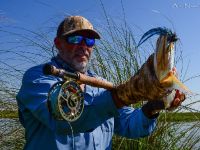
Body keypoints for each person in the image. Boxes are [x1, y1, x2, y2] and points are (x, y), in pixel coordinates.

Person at [16, 16, 185, 150]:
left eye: (89, 41)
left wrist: (152, 107)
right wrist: (122, 96)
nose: (83, 46)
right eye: (75, 38)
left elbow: (130, 126)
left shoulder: (102, 84)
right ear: (58, 43)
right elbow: (65, 121)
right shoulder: (38, 78)